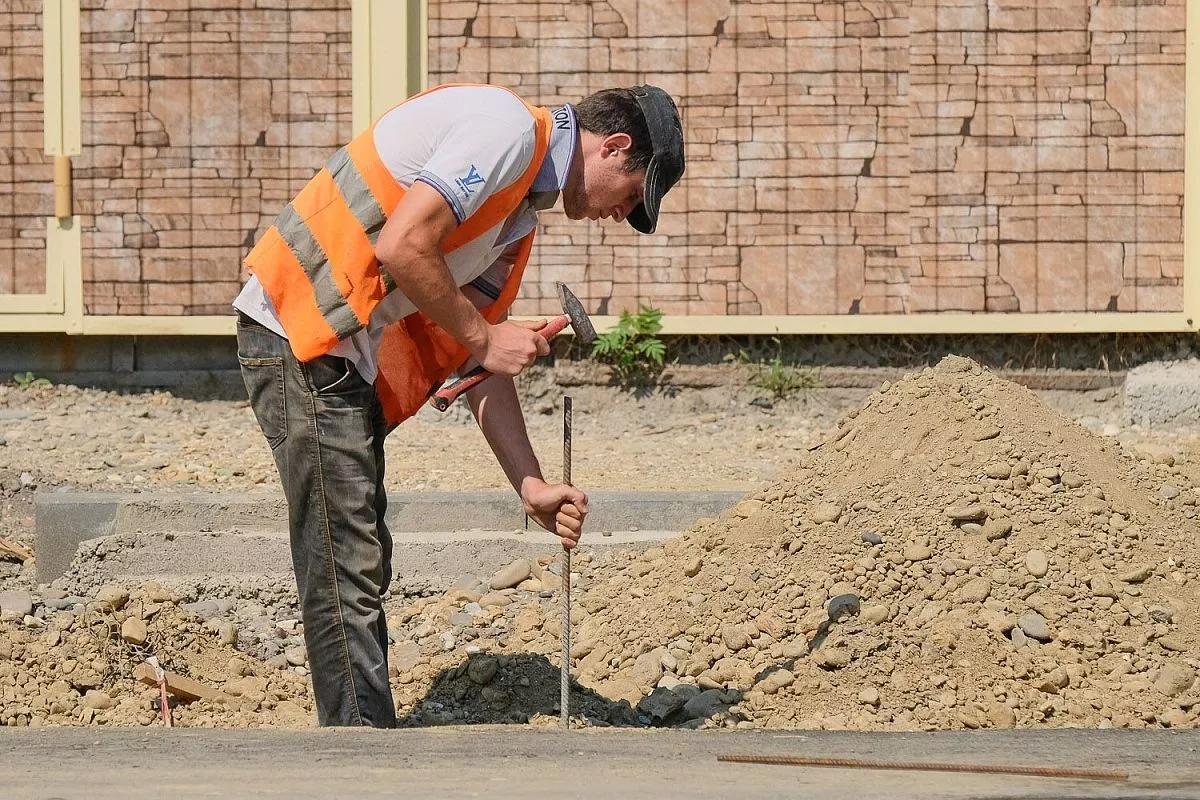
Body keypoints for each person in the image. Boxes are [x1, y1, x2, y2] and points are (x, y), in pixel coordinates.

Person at [231, 83, 685, 727]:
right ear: (614, 147)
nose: (621, 216)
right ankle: (359, 754)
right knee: (343, 559)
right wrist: (486, 337)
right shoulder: (504, 131)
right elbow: (403, 245)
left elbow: (478, 359)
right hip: (298, 328)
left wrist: (531, 485)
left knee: (357, 554)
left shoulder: (515, 218)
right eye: (633, 195)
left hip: (336, 349)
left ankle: (361, 739)